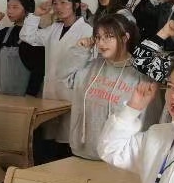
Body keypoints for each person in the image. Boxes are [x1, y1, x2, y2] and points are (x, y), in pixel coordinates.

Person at [67, 14, 161, 161]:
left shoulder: (141, 75)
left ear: (125, 38)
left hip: (120, 160)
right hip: (83, 153)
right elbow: (67, 80)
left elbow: (149, 121)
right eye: (98, 37)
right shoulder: (92, 66)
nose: (101, 43)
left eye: (108, 36)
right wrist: (80, 51)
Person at [20, 0, 94, 160]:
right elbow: (27, 37)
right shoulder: (54, 29)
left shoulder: (87, 31)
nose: (58, 7)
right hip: (51, 93)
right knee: (50, 141)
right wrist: (36, 15)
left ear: (76, 4)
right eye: (55, 3)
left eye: (63, 2)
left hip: (72, 94)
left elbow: (92, 64)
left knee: (67, 141)